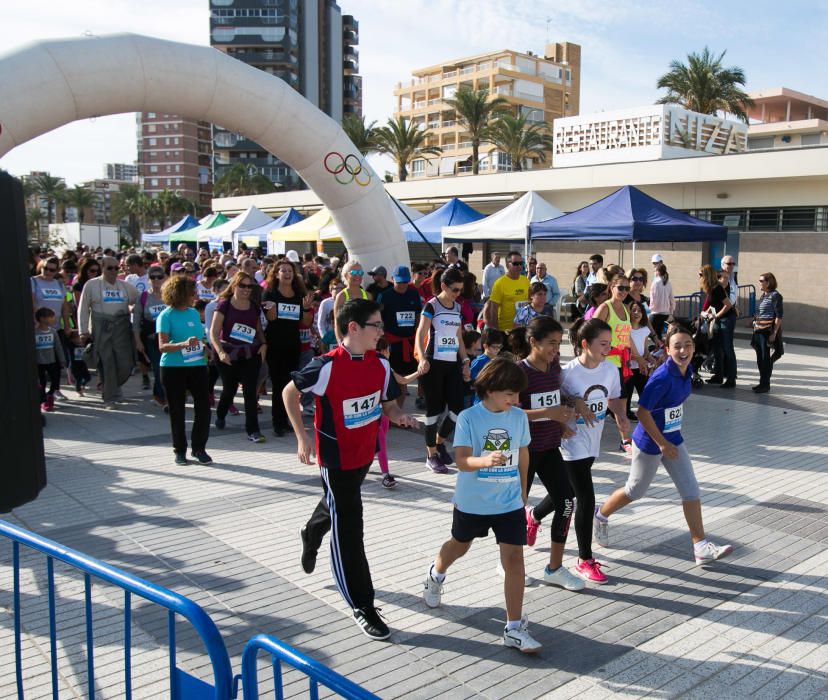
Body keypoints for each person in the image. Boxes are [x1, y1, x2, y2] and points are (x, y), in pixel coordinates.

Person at [284, 299, 418, 641]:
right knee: (350, 530)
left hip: (364, 455)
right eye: (375, 325)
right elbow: (289, 393)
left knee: (336, 506)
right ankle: (362, 604)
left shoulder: (381, 366)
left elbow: (386, 405)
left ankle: (311, 532)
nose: (381, 331)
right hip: (335, 458)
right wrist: (302, 439)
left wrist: (397, 416)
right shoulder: (325, 366)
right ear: (353, 327)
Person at [422, 357, 541, 654]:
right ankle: (435, 574)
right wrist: (484, 460)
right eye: (510, 394)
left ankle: (513, 628)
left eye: (517, 394)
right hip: (473, 502)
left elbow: (523, 454)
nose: (515, 400)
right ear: (490, 389)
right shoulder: (469, 418)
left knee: (514, 560)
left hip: (509, 502)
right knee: (459, 546)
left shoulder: (518, 417)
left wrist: (524, 490)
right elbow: (461, 460)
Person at [594, 326, 734, 565]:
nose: (683, 350)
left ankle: (700, 546)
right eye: (677, 346)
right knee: (634, 491)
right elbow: (643, 412)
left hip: (673, 439)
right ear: (667, 350)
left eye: (687, 345)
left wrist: (669, 439)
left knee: (691, 491)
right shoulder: (662, 377)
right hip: (650, 443)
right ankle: (601, 515)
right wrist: (661, 444)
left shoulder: (687, 369)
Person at [518, 317, 581, 590]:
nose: (557, 349)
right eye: (552, 343)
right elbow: (511, 412)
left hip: (550, 447)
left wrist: (560, 422)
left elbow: (555, 399)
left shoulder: (554, 366)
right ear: (533, 342)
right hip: (525, 451)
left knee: (567, 501)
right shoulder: (519, 372)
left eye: (559, 343)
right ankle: (508, 563)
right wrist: (548, 414)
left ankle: (554, 568)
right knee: (515, 508)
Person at [415, 268, 471, 474]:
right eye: (455, 289)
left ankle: (439, 443)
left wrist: (465, 360)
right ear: (444, 286)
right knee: (433, 412)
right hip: (433, 364)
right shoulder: (431, 306)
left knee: (457, 409)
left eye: (460, 290)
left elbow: (458, 337)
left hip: (452, 364)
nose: (458, 294)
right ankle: (431, 455)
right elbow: (420, 334)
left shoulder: (457, 307)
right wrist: (422, 359)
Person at [156, 275, 212, 466]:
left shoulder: (193, 313)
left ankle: (199, 448)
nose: (195, 295)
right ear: (180, 293)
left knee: (203, 407)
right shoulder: (166, 316)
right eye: (191, 292)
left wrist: (206, 348)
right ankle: (180, 450)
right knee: (177, 410)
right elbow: (162, 346)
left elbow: (198, 338)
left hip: (197, 365)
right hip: (173, 368)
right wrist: (182, 344)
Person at [210, 272, 268, 442]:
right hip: (228, 354)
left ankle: (253, 430)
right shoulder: (224, 305)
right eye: (242, 285)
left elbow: (258, 330)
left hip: (250, 354)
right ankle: (221, 414)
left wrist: (264, 344)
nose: (246, 289)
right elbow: (213, 332)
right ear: (234, 286)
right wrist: (220, 352)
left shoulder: (254, 306)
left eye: (250, 286)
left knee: (250, 392)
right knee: (230, 389)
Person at [77, 256, 139, 408]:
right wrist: (83, 331)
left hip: (121, 327)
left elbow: (139, 302)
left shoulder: (126, 286)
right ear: (102, 268)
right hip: (101, 326)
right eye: (109, 268)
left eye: (116, 268)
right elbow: (83, 308)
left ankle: (109, 386)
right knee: (107, 362)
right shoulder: (91, 285)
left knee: (126, 364)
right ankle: (111, 395)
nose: (113, 271)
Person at [263, 259, 314, 436]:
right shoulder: (270, 293)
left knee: (290, 385)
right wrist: (271, 309)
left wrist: (307, 309)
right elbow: (271, 319)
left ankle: (287, 420)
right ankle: (278, 422)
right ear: (276, 274)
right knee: (278, 384)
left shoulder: (299, 294)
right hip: (275, 345)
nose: (286, 273)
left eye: (289, 271)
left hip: (293, 344)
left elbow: (305, 323)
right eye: (283, 270)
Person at [594, 275, 642, 453]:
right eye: (620, 288)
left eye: (626, 288)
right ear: (611, 287)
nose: (623, 291)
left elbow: (627, 336)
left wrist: (638, 357)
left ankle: (625, 440)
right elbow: (591, 331)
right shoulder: (605, 308)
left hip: (622, 363)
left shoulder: (624, 308)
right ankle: (592, 435)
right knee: (604, 402)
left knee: (622, 402)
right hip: (606, 363)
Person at [375, 337, 421, 488]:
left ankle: (373, 454)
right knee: (381, 439)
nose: (390, 353)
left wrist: (418, 372)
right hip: (372, 411)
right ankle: (385, 475)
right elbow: (402, 381)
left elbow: (402, 380)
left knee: (384, 428)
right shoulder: (377, 364)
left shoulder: (386, 365)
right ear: (383, 351)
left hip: (384, 407)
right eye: (388, 350)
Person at [376, 265, 421, 405]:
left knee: (411, 377)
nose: (402, 285)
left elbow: (419, 316)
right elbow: (377, 316)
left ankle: (400, 412)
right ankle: (393, 412)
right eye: (399, 281)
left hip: (410, 343)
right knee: (395, 380)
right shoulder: (384, 296)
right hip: (392, 344)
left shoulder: (414, 294)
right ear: (392, 279)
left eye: (405, 282)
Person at [132, 265, 168, 408]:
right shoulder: (143, 297)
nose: (156, 280)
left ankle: (160, 394)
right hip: (151, 338)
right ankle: (163, 397)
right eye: (153, 277)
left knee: (169, 368)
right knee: (158, 368)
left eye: (159, 276)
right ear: (148, 279)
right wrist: (138, 341)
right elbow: (136, 321)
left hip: (170, 337)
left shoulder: (169, 295)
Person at [699, 264, 736, 388]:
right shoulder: (711, 288)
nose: (699, 277)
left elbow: (728, 305)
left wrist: (716, 316)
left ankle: (731, 379)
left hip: (726, 319)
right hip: (719, 320)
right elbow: (710, 305)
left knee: (727, 349)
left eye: (700, 275)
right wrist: (704, 313)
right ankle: (718, 376)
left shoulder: (717, 288)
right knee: (717, 348)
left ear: (706, 275)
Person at [751, 273, 783, 394]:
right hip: (758, 330)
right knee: (760, 358)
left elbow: (779, 316)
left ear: (768, 282)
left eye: (761, 280)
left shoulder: (775, 296)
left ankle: (765, 384)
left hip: (767, 332)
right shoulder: (764, 295)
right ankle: (762, 382)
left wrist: (774, 333)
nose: (759, 282)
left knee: (766, 359)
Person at [623, 301, 655, 420]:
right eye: (634, 310)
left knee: (644, 391)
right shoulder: (626, 329)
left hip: (641, 368)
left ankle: (645, 412)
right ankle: (626, 412)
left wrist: (649, 357)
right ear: (629, 313)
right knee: (628, 392)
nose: (637, 313)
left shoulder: (645, 330)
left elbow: (645, 349)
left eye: (639, 310)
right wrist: (639, 359)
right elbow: (626, 351)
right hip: (629, 367)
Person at [485, 251, 528, 333]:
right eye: (515, 264)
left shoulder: (525, 281)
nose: (519, 266)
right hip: (506, 331)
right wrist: (496, 332)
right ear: (508, 265)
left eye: (521, 263)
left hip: (523, 329)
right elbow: (493, 310)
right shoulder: (499, 283)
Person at [34, 308, 66, 412]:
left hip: (52, 361)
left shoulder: (53, 332)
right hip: (39, 363)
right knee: (41, 382)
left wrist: (62, 359)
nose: (54, 318)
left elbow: (58, 347)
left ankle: (50, 395)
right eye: (51, 317)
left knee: (55, 380)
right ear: (42, 319)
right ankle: (43, 400)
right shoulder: (35, 332)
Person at [333, 260, 368, 343]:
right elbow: (337, 322)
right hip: (348, 340)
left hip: (365, 339)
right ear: (345, 275)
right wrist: (340, 341)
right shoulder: (341, 296)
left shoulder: (368, 295)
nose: (357, 275)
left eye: (360, 272)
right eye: (354, 272)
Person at [649, 263, 675, 340]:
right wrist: (671, 311)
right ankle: (659, 349)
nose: (654, 273)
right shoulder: (668, 283)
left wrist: (650, 309)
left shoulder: (655, 283)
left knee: (652, 334)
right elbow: (672, 299)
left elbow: (653, 299)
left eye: (655, 271)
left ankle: (655, 349)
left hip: (656, 313)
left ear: (658, 272)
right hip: (665, 313)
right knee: (659, 334)